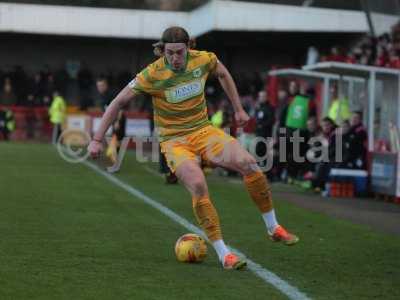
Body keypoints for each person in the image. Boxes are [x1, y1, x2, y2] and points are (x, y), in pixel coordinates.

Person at [88, 26, 298, 270]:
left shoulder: (204, 59)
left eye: (179, 52)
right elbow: (118, 102)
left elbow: (223, 74)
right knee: (198, 184)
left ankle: (273, 227)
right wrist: (97, 138)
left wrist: (239, 108)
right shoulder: (152, 74)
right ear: (162, 51)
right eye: (169, 53)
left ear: (189, 47)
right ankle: (224, 254)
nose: (175, 58)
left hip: (204, 131)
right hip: (174, 140)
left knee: (249, 164)